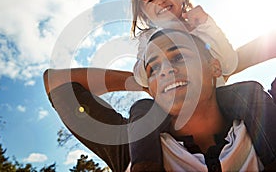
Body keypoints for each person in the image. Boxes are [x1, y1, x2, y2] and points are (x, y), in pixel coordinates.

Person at [43, 29, 276, 171]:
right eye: (153, 68)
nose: (163, 71)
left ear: (214, 66)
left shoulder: (265, 113)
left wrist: (228, 64)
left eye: (178, 57)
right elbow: (56, 82)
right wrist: (146, 82)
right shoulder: (132, 147)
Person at [128, 0, 276, 170]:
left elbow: (229, 63)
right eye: (149, 0)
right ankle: (145, 166)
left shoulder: (201, 26)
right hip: (173, 105)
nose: (160, 1)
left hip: (215, 100)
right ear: (144, 13)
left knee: (249, 91)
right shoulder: (148, 39)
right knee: (141, 109)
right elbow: (141, 76)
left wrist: (207, 25)